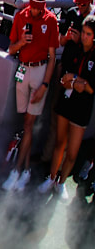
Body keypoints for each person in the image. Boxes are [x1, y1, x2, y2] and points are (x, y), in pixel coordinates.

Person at [1, 0, 58, 192]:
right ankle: (24, 170)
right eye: (33, 5)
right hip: (22, 70)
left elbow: (52, 58)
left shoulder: (51, 20)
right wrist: (22, 42)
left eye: (39, 6)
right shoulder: (21, 17)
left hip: (40, 71)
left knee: (28, 123)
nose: (35, 9)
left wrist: (45, 84)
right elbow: (11, 48)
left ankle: (17, 171)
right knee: (25, 123)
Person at [37, 15, 95, 200]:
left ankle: (61, 183)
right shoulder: (74, 50)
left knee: (72, 152)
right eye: (84, 33)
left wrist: (77, 81)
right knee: (59, 143)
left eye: (88, 34)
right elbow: (64, 80)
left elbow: (91, 87)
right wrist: (76, 82)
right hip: (66, 103)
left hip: (82, 109)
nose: (84, 37)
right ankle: (51, 178)